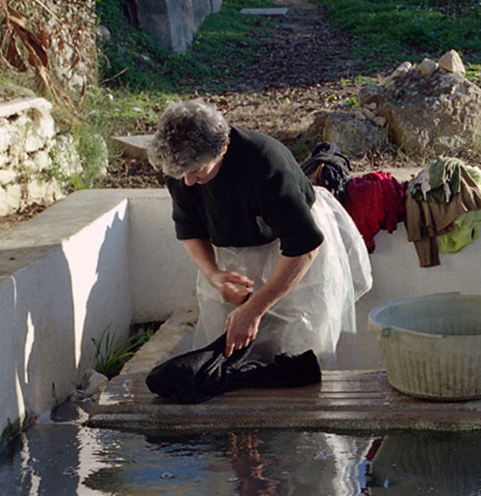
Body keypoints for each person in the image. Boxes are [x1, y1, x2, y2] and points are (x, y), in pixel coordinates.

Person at [146, 100, 371, 373]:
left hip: (292, 254)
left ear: (222, 149)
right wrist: (213, 273)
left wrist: (254, 309)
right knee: (233, 351)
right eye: (182, 174)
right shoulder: (182, 168)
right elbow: (190, 229)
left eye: (196, 172)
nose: (188, 182)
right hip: (234, 254)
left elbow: (304, 247)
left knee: (298, 344)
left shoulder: (264, 163)